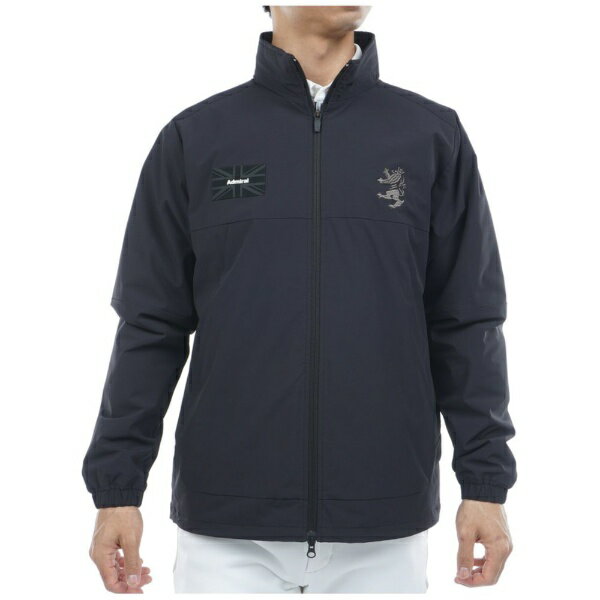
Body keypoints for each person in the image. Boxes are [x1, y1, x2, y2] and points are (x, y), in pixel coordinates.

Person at [82, 5, 516, 593]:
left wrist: (485, 485)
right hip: (227, 530)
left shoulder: (430, 135)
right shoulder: (197, 137)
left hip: (382, 524)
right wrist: (117, 490)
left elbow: (467, 321)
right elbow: (149, 325)